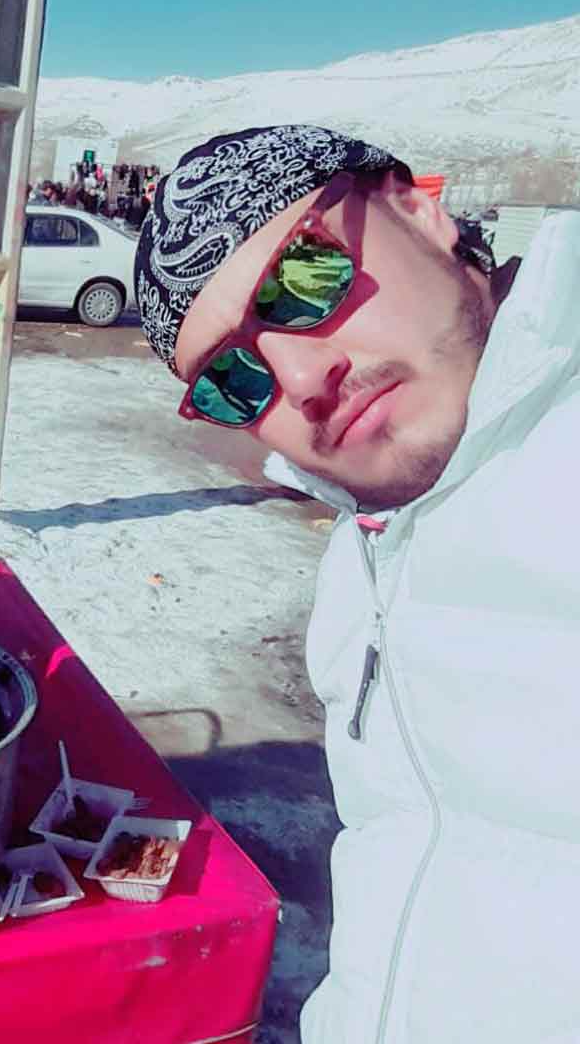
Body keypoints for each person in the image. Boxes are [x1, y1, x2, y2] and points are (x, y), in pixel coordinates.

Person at [134, 123, 578, 1044]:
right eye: (231, 378)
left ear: (418, 212)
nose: (302, 379)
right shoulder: (363, 559)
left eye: (306, 278)